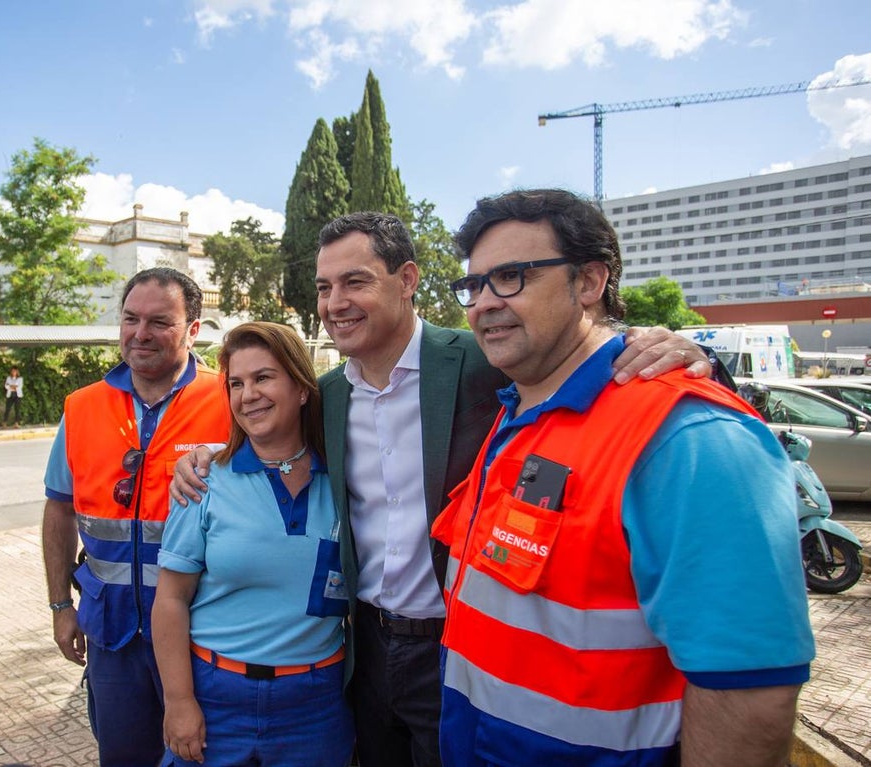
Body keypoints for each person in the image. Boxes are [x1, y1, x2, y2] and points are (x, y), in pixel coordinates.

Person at [172, 211, 709, 767]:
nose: (335, 303)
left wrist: (689, 354)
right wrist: (206, 456)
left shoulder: (485, 359)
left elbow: (579, 356)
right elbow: (268, 438)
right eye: (325, 288)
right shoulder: (327, 395)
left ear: (407, 280)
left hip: (456, 647)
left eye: (355, 282)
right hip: (365, 651)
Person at [433, 189, 814, 766]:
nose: (483, 303)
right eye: (473, 285)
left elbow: (749, 692)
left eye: (510, 277)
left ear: (589, 282)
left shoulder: (690, 438)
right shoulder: (519, 410)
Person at [41, 267, 231, 766]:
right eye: (130, 319)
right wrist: (61, 605)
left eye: (159, 322)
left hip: (203, 633)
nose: (140, 333)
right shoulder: (81, 407)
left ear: (194, 330)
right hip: (113, 635)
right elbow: (59, 509)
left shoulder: (230, 399)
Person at [153, 322, 353, 767]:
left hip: (315, 708)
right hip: (216, 698)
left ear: (302, 388)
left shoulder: (343, 480)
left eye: (263, 378)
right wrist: (179, 700)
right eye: (236, 384)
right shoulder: (204, 480)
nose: (248, 395)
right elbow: (170, 598)